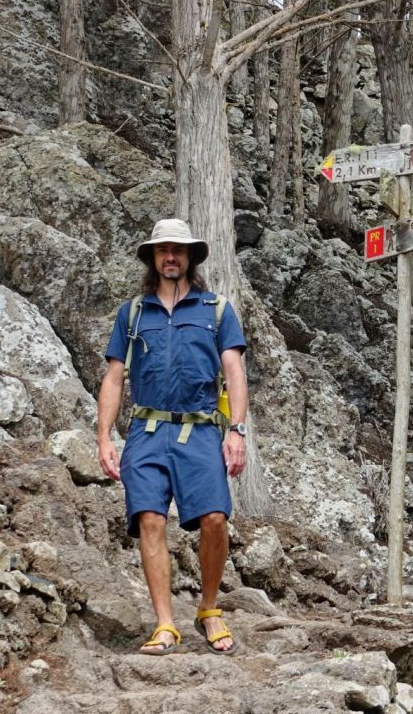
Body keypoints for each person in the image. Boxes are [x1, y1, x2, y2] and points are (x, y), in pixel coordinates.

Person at [96, 219, 248, 656]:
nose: (170, 257)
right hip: (145, 431)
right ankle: (165, 624)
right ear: (152, 258)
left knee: (215, 518)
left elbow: (235, 371)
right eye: (162, 250)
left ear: (190, 258)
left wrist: (236, 430)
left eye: (177, 251)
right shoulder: (133, 314)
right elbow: (113, 378)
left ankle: (209, 608)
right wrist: (105, 438)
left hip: (200, 430)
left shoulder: (216, 310)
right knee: (150, 520)